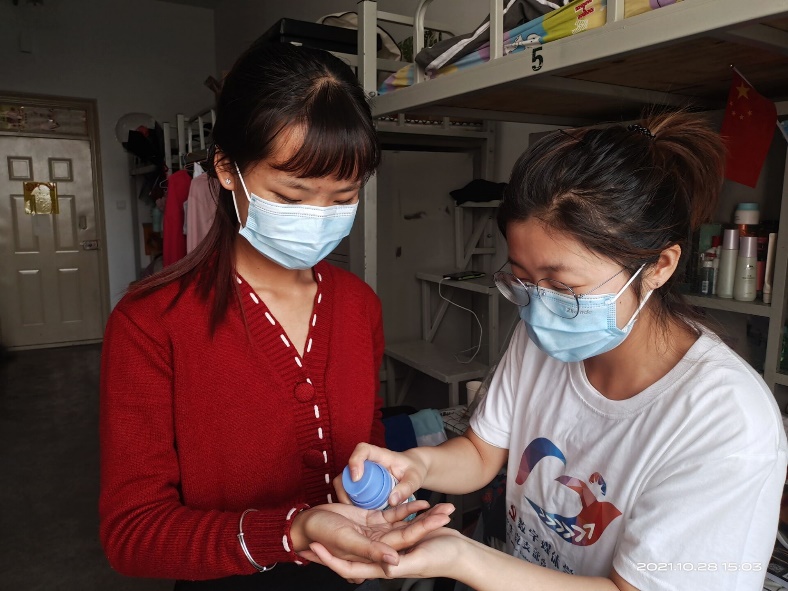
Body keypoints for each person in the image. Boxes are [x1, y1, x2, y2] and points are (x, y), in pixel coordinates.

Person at [308, 112, 788, 590]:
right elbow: (481, 452)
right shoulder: (540, 336)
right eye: (522, 280)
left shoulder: (725, 421)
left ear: (659, 266)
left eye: (563, 287)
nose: (539, 308)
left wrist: (461, 557)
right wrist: (418, 466)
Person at [99, 41, 452, 591]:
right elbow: (133, 534)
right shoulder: (151, 322)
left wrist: (379, 492)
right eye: (291, 197)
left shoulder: (359, 305)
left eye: (343, 198)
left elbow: (368, 436)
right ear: (227, 170)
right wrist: (292, 532)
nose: (319, 218)